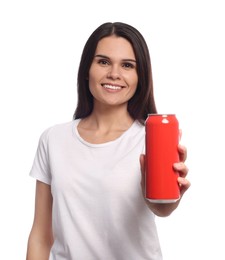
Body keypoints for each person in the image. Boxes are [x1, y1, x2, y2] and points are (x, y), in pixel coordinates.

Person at [26, 22, 190, 260]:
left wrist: (171, 196)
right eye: (103, 62)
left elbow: (162, 208)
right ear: (86, 69)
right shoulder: (53, 139)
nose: (114, 73)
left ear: (140, 76)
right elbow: (41, 235)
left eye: (127, 65)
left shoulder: (149, 139)